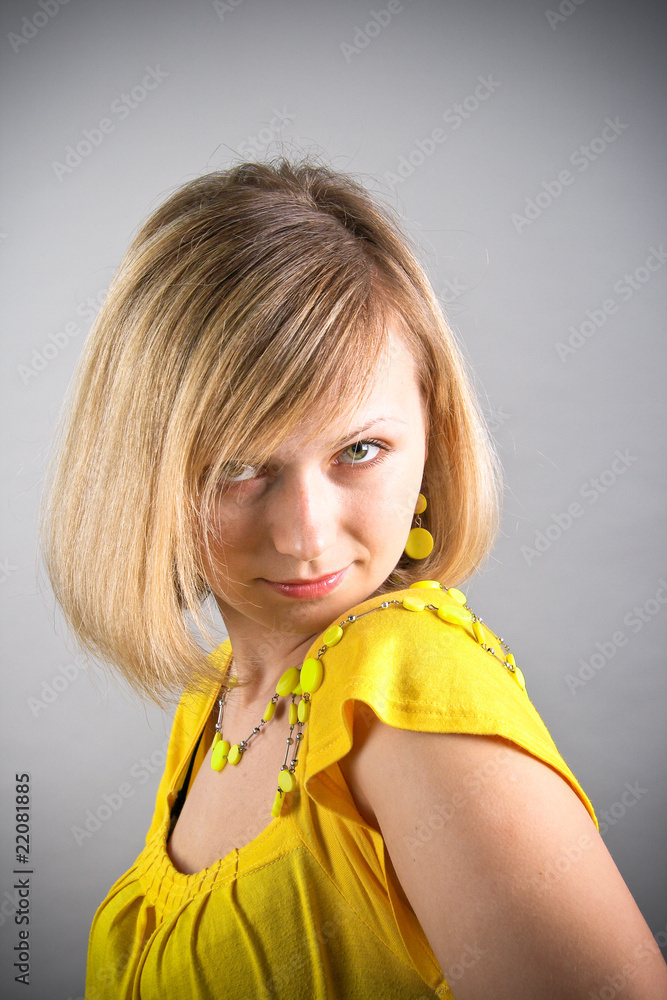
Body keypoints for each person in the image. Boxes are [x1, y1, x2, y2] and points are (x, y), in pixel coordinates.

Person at [38, 159, 667, 1000]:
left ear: (432, 433)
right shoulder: (217, 703)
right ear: (146, 473)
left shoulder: (406, 690)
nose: (306, 536)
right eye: (236, 468)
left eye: (358, 450)